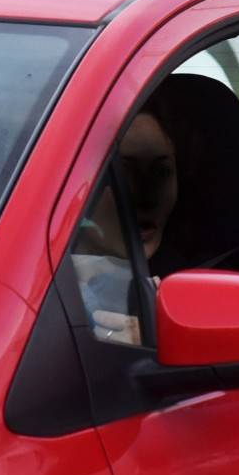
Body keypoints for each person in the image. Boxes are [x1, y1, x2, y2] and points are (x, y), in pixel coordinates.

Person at [72, 92, 180, 344]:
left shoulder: (191, 294)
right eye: (122, 172)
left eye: (161, 172)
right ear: (73, 184)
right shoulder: (27, 291)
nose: (146, 197)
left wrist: (163, 346)